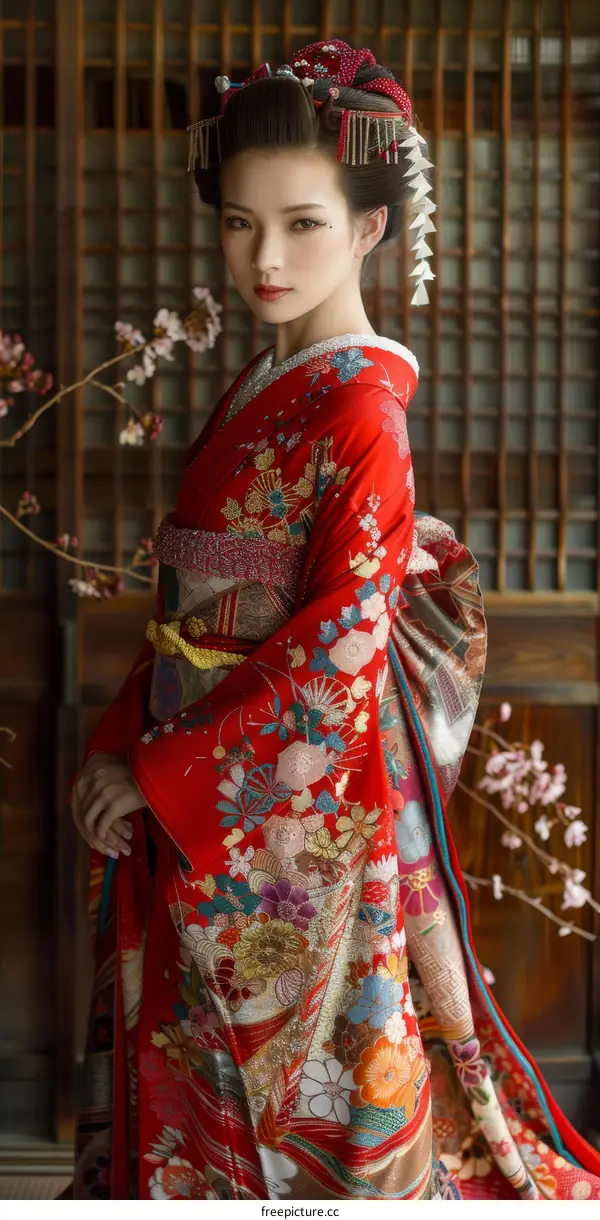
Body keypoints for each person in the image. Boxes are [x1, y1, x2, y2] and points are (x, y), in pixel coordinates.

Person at [70, 40, 600, 1201]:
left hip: (286, 804)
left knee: (302, 1101)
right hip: (200, 759)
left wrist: (166, 767)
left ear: (367, 229)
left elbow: (338, 647)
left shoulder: (362, 407)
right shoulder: (265, 386)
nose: (265, 257)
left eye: (303, 223)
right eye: (242, 225)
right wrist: (123, 737)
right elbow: (183, 621)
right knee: (205, 1073)